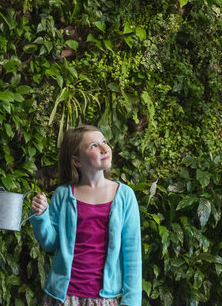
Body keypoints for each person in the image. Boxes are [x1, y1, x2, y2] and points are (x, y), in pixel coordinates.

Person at [30, 125, 142, 306]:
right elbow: (50, 243)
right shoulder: (63, 194)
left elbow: (132, 254)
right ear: (77, 161)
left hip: (103, 300)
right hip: (62, 297)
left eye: (104, 142)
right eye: (94, 146)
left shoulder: (125, 196)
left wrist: (132, 302)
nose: (105, 148)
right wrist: (40, 216)